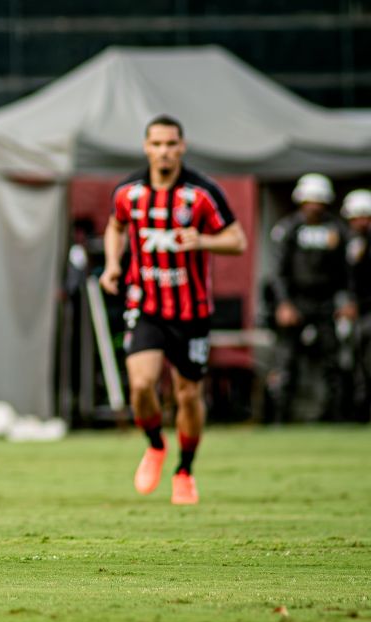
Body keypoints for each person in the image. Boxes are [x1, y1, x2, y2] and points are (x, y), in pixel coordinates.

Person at [100, 115, 247, 505]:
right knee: (142, 384)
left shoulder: (201, 193)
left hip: (192, 311)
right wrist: (114, 265)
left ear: (182, 147)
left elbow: (237, 240)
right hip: (145, 304)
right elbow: (115, 226)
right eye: (157, 144)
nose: (164, 151)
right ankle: (154, 444)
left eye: (171, 144)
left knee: (187, 395)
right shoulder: (128, 192)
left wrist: (201, 239)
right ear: (146, 147)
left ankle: (185, 470)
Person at [265, 174, 356, 422]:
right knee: (286, 362)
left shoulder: (336, 230)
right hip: (296, 301)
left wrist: (346, 300)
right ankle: (280, 420)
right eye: (309, 200)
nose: (314, 205)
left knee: (333, 362)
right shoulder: (289, 229)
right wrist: (283, 304)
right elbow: (278, 272)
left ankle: (336, 419)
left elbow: (346, 272)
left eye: (319, 200)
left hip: (327, 303)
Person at [341, 189, 371, 420]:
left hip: (365, 310)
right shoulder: (347, 242)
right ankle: (357, 412)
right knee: (354, 361)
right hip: (353, 311)